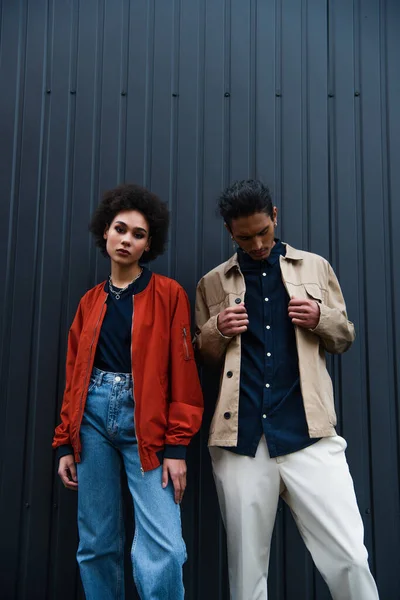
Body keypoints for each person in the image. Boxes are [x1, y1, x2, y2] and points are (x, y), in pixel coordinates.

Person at [194, 180, 379, 600]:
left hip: (309, 433)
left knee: (350, 557)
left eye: (263, 231)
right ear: (229, 231)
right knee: (247, 574)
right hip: (240, 440)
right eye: (245, 236)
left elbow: (344, 336)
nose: (258, 244)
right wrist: (215, 331)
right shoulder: (212, 283)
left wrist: (318, 317)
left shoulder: (315, 267)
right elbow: (202, 356)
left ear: (275, 216)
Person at [53, 183, 203, 600]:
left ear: (148, 244)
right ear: (105, 231)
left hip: (149, 423)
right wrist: (66, 440)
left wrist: (177, 448)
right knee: (97, 543)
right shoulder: (89, 302)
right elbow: (74, 376)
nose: (127, 239)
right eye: (120, 229)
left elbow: (184, 374)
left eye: (138, 234)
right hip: (92, 422)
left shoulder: (170, 295)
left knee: (166, 549)